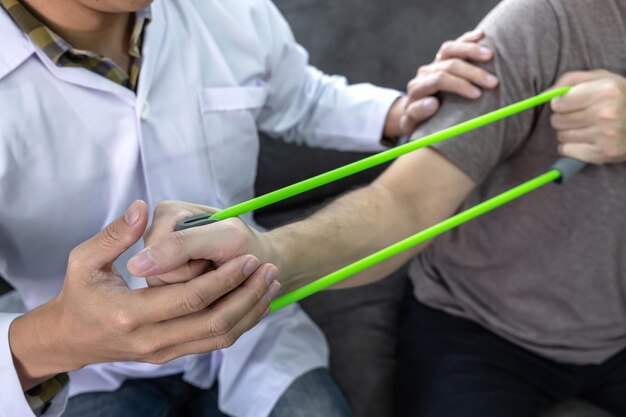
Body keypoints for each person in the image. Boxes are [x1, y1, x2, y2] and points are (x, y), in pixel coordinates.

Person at [0, 0, 498, 416]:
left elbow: (298, 96)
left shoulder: (228, 9)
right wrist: (56, 339)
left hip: (255, 330)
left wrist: (394, 115)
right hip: (85, 374)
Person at [134, 0, 626, 416]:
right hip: (484, 332)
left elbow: (301, 95)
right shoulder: (543, 21)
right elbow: (403, 203)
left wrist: (397, 116)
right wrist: (264, 253)